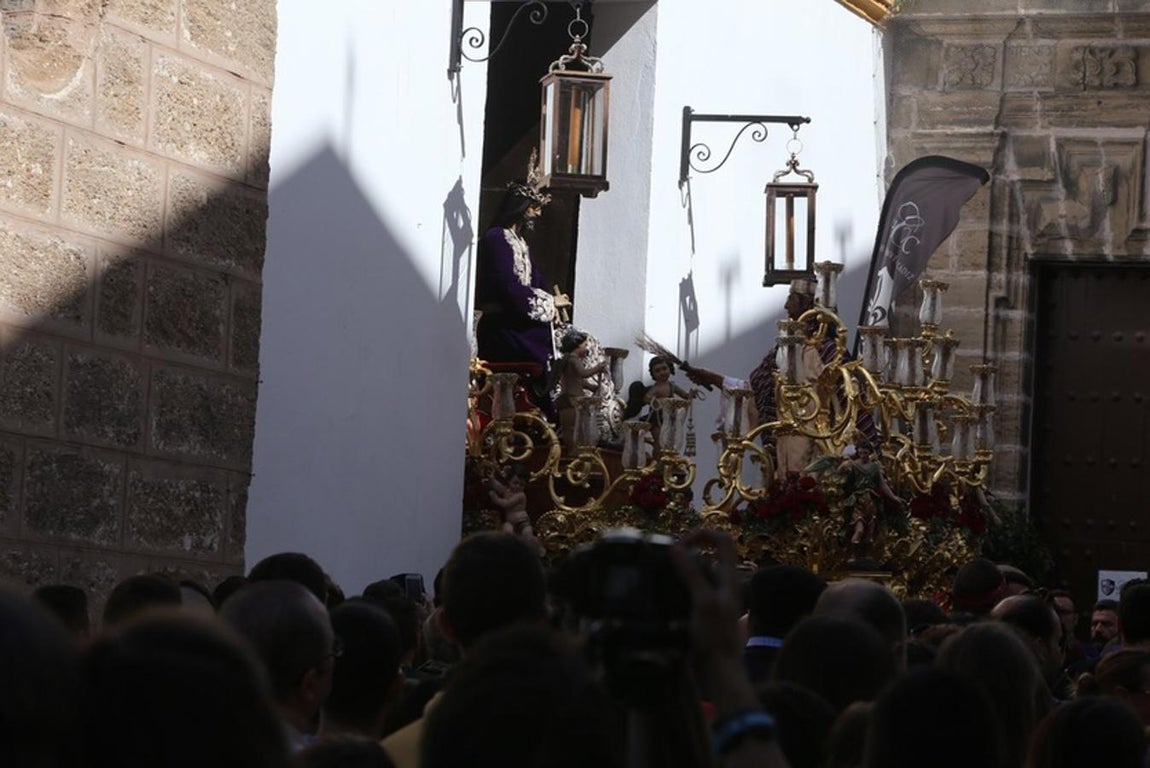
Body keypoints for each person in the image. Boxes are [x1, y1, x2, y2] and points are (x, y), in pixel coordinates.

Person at [685, 278, 843, 478]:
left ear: (807, 304)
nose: (786, 306)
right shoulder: (780, 353)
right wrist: (712, 378)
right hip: (780, 442)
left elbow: (841, 399)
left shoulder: (825, 350)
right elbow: (752, 391)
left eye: (791, 299)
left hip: (813, 444)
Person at [474, 152, 570, 373]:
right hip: (504, 326)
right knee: (564, 353)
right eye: (533, 207)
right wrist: (549, 303)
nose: (537, 214)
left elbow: (537, 279)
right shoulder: (496, 238)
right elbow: (508, 287)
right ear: (520, 206)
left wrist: (555, 300)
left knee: (580, 342)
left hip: (522, 323)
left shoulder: (520, 242)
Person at [835, 442, 904, 554]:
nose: (863, 454)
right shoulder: (852, 465)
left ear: (869, 453)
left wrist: (894, 497)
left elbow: (883, 485)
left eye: (865, 452)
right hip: (857, 501)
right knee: (859, 530)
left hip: (871, 501)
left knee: (870, 533)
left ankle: (867, 556)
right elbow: (838, 473)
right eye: (861, 452)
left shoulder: (875, 467)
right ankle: (853, 555)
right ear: (857, 452)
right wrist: (842, 465)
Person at [482, 463, 543, 555]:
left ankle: (535, 549)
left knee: (527, 535)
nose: (517, 486)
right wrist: (492, 479)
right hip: (510, 522)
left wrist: (495, 498)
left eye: (521, 484)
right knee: (507, 532)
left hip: (522, 522)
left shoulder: (520, 495)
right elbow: (498, 487)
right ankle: (509, 552)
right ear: (509, 481)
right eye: (515, 483)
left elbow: (507, 504)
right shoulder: (507, 490)